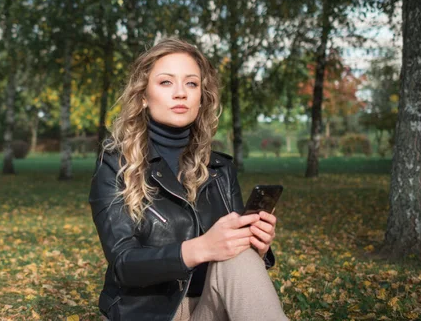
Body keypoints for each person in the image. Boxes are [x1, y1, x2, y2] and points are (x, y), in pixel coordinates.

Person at [89, 38, 288, 321]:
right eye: (166, 82)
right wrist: (201, 248)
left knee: (242, 255)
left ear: (201, 97)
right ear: (143, 96)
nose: (181, 93)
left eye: (191, 84)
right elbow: (123, 264)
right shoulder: (115, 164)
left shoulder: (220, 168)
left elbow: (232, 265)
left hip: (212, 309)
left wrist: (258, 245)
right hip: (151, 313)